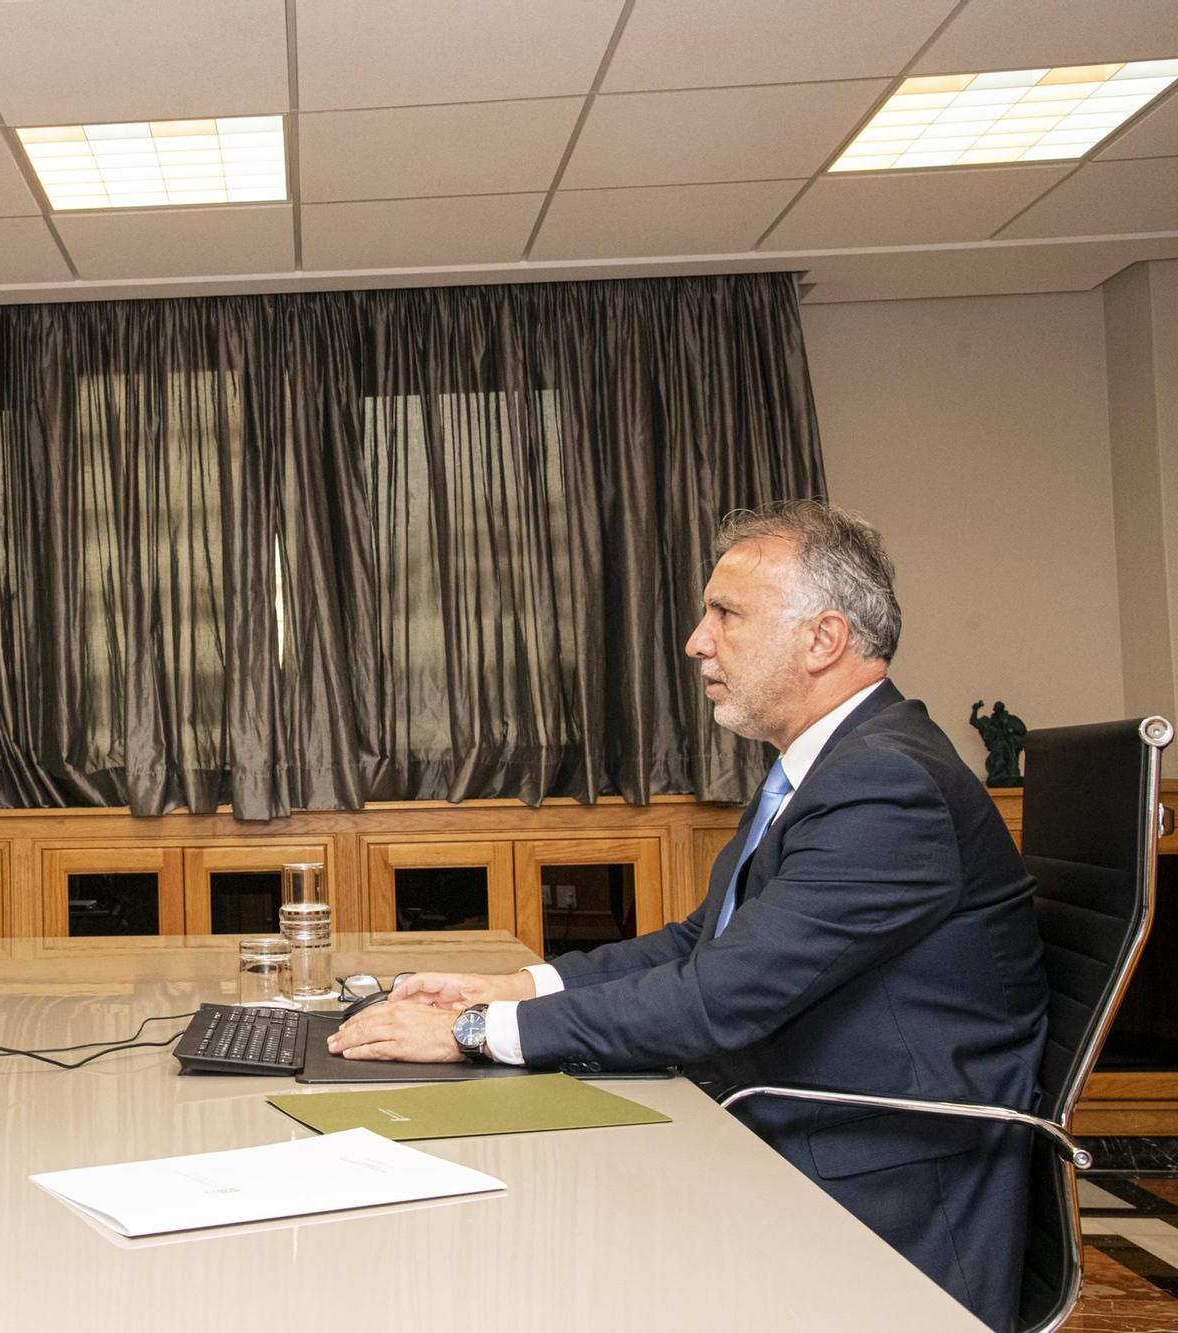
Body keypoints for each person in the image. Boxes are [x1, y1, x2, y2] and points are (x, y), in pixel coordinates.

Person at [330, 501, 1046, 1333]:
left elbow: (720, 995)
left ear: (823, 639)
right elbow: (701, 942)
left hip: (879, 1176)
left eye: (726, 614)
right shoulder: (834, 764)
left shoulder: (887, 784)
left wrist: (474, 1031)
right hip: (789, 1114)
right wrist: (512, 983)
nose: (696, 640)